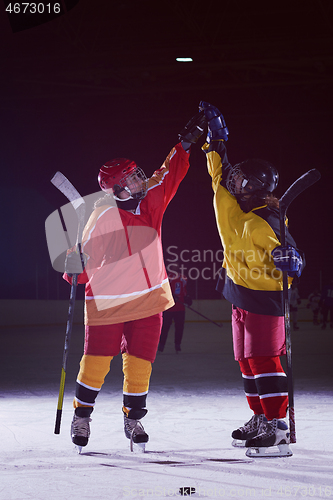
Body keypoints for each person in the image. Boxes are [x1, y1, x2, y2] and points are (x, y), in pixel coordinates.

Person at [63, 111, 207, 452]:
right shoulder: (101, 217)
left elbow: (166, 174)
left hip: (149, 299)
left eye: (138, 175)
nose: (141, 180)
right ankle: (82, 415)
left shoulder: (151, 199)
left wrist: (185, 142)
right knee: (96, 362)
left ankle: (133, 417)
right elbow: (79, 270)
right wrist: (73, 265)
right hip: (108, 302)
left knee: (141, 361)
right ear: (119, 189)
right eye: (133, 178)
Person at [199, 101, 304, 457]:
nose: (234, 179)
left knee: (263, 360)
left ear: (255, 189)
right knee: (245, 360)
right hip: (238, 295)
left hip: (266, 299)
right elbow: (219, 169)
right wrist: (216, 138)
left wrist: (293, 262)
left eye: (241, 179)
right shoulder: (228, 199)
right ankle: (260, 417)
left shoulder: (269, 221)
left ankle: (277, 428)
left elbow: (291, 256)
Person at [158, 264, 192, 353]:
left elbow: (186, 291)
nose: (175, 267)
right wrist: (170, 295)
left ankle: (178, 345)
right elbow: (162, 290)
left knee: (179, 328)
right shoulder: (166, 278)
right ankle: (161, 346)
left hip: (180, 308)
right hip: (168, 308)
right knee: (165, 327)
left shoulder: (183, 278)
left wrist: (187, 299)